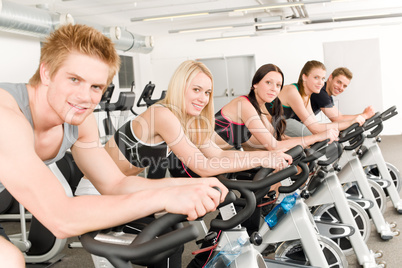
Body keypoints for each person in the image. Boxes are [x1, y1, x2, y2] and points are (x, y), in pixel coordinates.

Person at [0, 24, 229, 267]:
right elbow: (61, 218)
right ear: (46, 72)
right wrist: (163, 198)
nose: (85, 97)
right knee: (9, 260)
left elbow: (115, 183)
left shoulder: (82, 119)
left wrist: (192, 184)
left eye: (96, 87)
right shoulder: (6, 115)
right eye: (74, 79)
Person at [212, 63, 339, 152]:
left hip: (215, 156)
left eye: (278, 85)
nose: (274, 89)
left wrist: (311, 144)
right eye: (268, 83)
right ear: (255, 83)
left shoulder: (259, 112)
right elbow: (274, 146)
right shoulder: (244, 104)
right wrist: (316, 137)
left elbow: (280, 138)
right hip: (199, 157)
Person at [275, 60, 365, 137]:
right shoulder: (293, 91)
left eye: (322, 79)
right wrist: (350, 122)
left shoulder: (306, 96)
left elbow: (316, 125)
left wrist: (345, 126)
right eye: (316, 77)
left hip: (280, 127)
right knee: (303, 131)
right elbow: (315, 129)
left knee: (323, 137)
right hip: (270, 129)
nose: (321, 83)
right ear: (304, 77)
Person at [310, 66, 375, 122]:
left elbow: (339, 118)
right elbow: (338, 119)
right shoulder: (320, 91)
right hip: (300, 123)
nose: (340, 87)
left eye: (344, 86)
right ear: (330, 77)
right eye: (338, 82)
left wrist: (363, 115)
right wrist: (365, 115)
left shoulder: (328, 97)